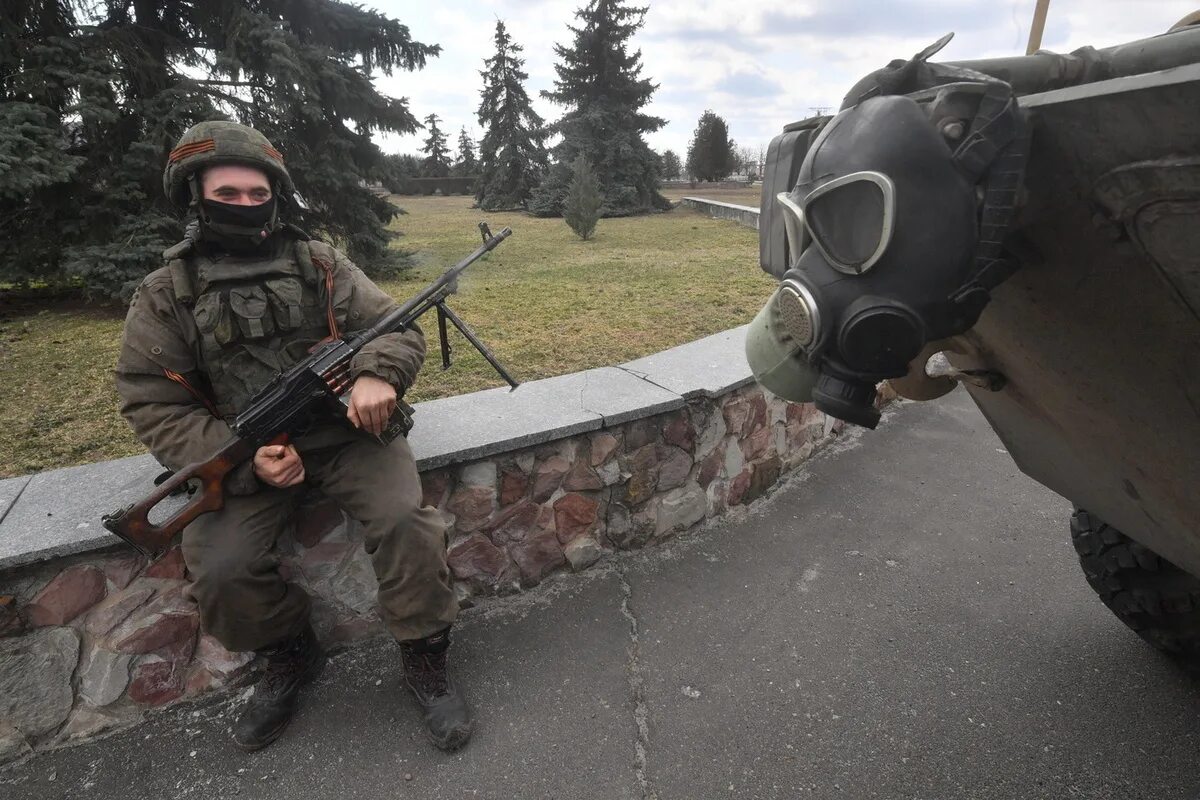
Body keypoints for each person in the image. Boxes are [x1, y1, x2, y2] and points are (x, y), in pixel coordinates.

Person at [114, 120, 471, 752]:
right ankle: (290, 653)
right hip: (244, 449)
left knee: (406, 524)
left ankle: (425, 656)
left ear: (276, 195)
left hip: (349, 436)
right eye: (230, 194)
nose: (247, 206)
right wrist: (249, 464)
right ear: (196, 197)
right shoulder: (167, 293)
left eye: (258, 195)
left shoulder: (321, 263)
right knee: (221, 569)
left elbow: (394, 326)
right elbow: (152, 400)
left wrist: (375, 376)